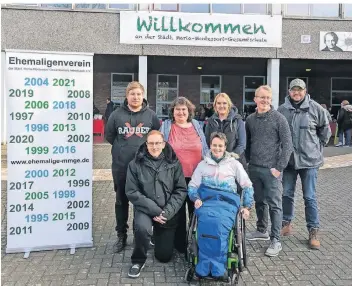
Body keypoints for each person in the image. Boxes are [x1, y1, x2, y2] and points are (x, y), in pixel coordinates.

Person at [188, 132, 254, 278]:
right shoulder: (202, 165)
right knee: (206, 222)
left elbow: (247, 186)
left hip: (227, 203)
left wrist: (247, 206)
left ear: (225, 147)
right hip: (207, 202)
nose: (217, 148)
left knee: (219, 225)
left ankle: (218, 263)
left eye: (220, 146)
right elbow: (192, 186)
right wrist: (195, 198)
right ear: (210, 146)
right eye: (214, 145)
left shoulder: (234, 164)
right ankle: (205, 262)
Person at [105, 81, 161, 253]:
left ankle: (143, 235)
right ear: (127, 96)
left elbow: (156, 135)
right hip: (121, 167)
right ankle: (121, 235)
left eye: (138, 94)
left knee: (144, 201)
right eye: (132, 94)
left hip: (144, 167)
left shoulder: (151, 116)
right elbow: (109, 136)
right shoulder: (116, 115)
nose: (135, 97)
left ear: (143, 95)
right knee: (121, 201)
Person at [125, 130, 187, 278]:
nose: (154, 146)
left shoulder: (173, 162)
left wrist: (166, 212)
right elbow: (132, 192)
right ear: (146, 145)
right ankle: (138, 260)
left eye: (158, 143)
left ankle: (156, 238)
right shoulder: (135, 164)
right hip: (145, 209)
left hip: (167, 210)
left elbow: (181, 189)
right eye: (151, 143)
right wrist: (154, 211)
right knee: (141, 228)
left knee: (164, 257)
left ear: (163, 144)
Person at [278, 78, 331, 250]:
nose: (296, 93)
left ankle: (313, 230)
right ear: (289, 91)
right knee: (286, 193)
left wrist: (315, 148)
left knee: (309, 196)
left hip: (310, 162)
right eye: (294, 90)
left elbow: (325, 132)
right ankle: (286, 223)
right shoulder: (282, 110)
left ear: (305, 91)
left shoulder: (316, 109)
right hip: (289, 162)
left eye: (299, 90)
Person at [245, 85, 293, 257]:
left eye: (268, 98)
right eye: (261, 97)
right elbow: (248, 143)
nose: (265, 100)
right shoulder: (250, 119)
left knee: (275, 205)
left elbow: (288, 145)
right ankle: (261, 230)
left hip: (272, 170)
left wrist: (279, 168)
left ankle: (276, 240)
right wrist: (248, 162)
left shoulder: (279, 119)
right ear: (255, 99)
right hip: (255, 168)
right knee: (259, 201)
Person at [160, 97, 209, 255]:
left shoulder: (196, 125)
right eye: (177, 109)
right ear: (172, 112)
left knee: (196, 210)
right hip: (175, 178)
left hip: (196, 178)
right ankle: (180, 245)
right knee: (178, 213)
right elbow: (160, 149)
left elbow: (205, 148)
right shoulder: (167, 126)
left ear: (189, 112)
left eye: (184, 109)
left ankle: (196, 243)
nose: (180, 112)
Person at [205, 93, 247, 170]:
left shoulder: (237, 120)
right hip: (216, 164)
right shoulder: (210, 121)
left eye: (224, 103)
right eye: (219, 103)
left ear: (229, 105)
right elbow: (207, 143)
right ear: (215, 106)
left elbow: (242, 145)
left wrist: (229, 158)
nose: (221, 106)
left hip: (235, 164)